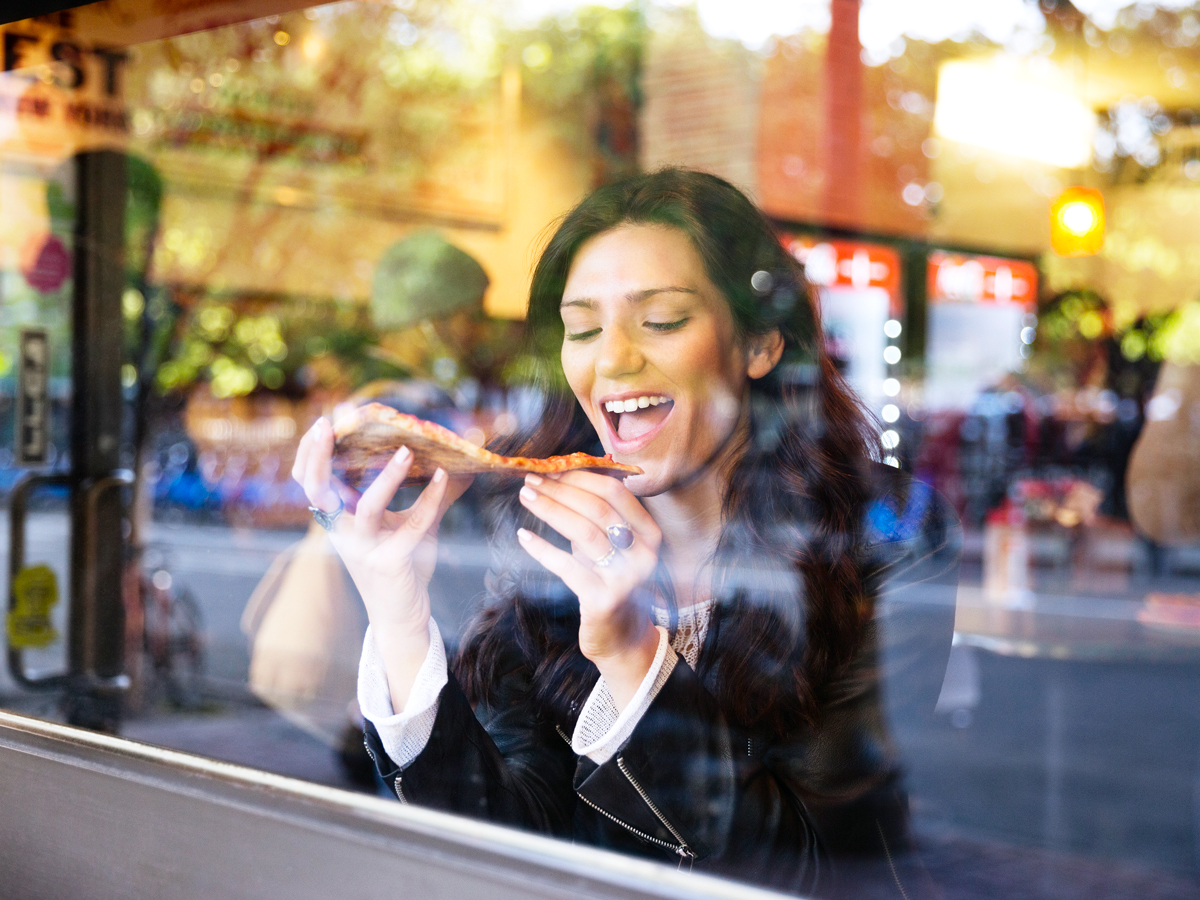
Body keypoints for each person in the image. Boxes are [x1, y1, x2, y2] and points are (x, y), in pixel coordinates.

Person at [292, 169, 958, 895]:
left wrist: (635, 655)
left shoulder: (882, 529)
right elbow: (511, 836)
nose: (611, 360)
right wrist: (397, 612)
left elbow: (821, 865)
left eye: (662, 320)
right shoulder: (536, 531)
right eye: (582, 329)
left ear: (761, 343)